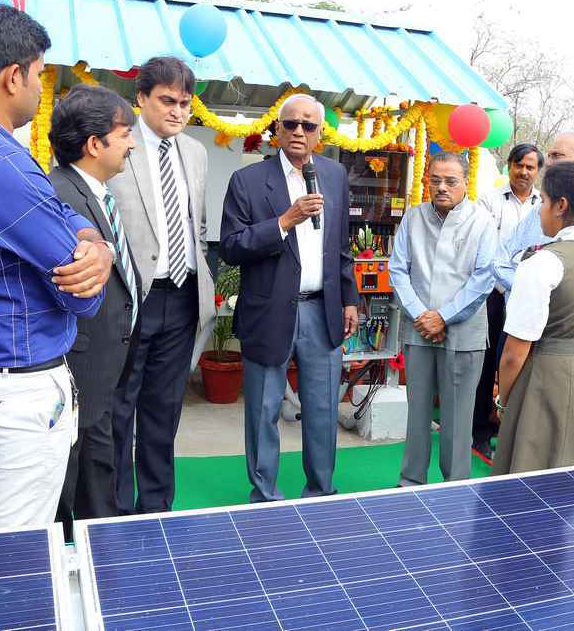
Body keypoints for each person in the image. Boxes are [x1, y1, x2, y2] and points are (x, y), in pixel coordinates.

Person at [0, 5, 113, 530]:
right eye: (38, 73)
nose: (39, 87)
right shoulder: (1, 165)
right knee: (16, 552)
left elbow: (55, 212)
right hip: (14, 390)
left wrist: (91, 239)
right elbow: (80, 295)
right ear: (13, 77)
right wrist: (97, 257)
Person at [220, 93, 358, 501]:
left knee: (323, 409)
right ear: (276, 129)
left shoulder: (334, 175)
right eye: (291, 123)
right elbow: (231, 246)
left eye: (308, 125)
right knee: (263, 410)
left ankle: (321, 490)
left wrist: (350, 298)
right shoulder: (247, 180)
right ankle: (265, 496)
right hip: (269, 311)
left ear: (319, 133)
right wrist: (284, 221)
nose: (299, 131)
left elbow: (341, 246)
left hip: (323, 310)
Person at [107, 56, 216, 515]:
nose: (177, 111)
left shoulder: (195, 152)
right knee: (119, 409)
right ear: (141, 98)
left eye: (185, 103)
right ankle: (114, 511)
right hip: (130, 298)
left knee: (164, 410)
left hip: (183, 297)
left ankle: (155, 508)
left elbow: (197, 224)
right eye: (167, 100)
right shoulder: (118, 145)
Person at [48, 85, 142, 539]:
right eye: (125, 134)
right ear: (94, 144)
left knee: (96, 480)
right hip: (79, 370)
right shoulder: (60, 195)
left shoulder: (97, 193)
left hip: (102, 369)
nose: (132, 144)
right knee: (72, 492)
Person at [491, 161, 574, 475]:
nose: (540, 210)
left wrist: (505, 402)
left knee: (533, 485)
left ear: (561, 206)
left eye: (544, 201)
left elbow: (513, 354)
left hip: (544, 384)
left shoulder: (543, 262)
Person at [390, 152, 496, 485]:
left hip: (464, 333)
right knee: (417, 413)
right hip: (418, 329)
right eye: (435, 180)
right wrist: (422, 316)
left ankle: (456, 487)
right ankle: (410, 483)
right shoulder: (413, 218)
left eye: (450, 181)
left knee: (458, 419)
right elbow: (398, 270)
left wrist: (443, 318)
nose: (442, 187)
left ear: (466, 182)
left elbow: (483, 278)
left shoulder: (482, 221)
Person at [472, 143, 543, 459]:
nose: (523, 172)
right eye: (519, 165)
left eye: (530, 167)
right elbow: (485, 247)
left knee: (519, 360)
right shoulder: (489, 200)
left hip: (527, 295)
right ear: (510, 166)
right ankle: (479, 432)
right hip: (492, 293)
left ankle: (509, 429)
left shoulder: (545, 204)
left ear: (537, 171)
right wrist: (504, 282)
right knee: (487, 363)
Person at [492, 132, 574, 298]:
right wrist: (527, 288)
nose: (548, 163)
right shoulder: (541, 208)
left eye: (557, 156)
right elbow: (500, 260)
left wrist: (550, 297)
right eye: (549, 156)